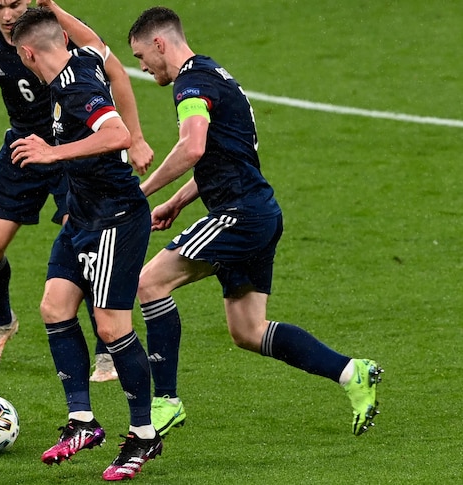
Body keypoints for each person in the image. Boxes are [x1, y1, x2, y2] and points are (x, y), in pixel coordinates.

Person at [126, 6, 383, 438]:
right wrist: (178, 201)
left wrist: (142, 192)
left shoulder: (192, 83)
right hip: (258, 211)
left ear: (159, 43)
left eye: (139, 56)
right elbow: (224, 157)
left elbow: (191, 148)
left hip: (239, 216)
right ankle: (351, 373)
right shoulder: (217, 76)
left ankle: (165, 401)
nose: (142, 66)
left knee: (149, 283)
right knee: (248, 330)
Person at [0, 0, 154, 377]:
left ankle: (105, 345)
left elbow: (116, 74)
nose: (8, 15)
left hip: (74, 148)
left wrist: (136, 138)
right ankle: (3, 321)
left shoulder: (62, 34)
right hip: (25, 147)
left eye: (15, 5)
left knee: (86, 241)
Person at [9, 6, 160, 481]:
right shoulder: (84, 58)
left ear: (28, 52)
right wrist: (53, 7)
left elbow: (114, 133)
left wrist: (53, 152)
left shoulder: (76, 87)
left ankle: (144, 435)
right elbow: (97, 42)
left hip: (115, 218)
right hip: (82, 214)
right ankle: (82, 422)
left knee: (112, 328)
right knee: (55, 306)